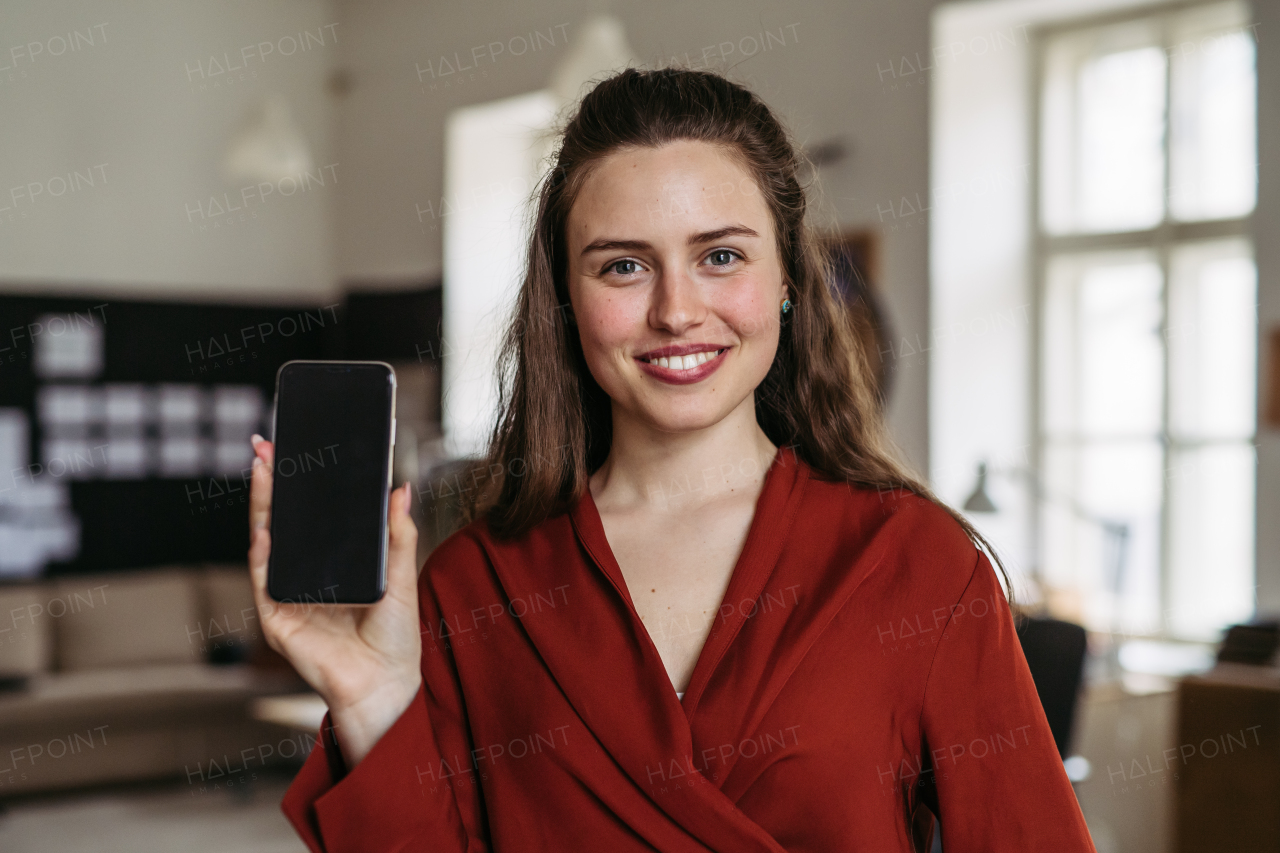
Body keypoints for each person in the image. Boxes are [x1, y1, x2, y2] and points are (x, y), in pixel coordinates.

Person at [247, 67, 1096, 853]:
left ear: (789, 277)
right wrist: (374, 698)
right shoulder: (479, 583)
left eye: (720, 255)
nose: (676, 310)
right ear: (567, 301)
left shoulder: (917, 564)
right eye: (623, 266)